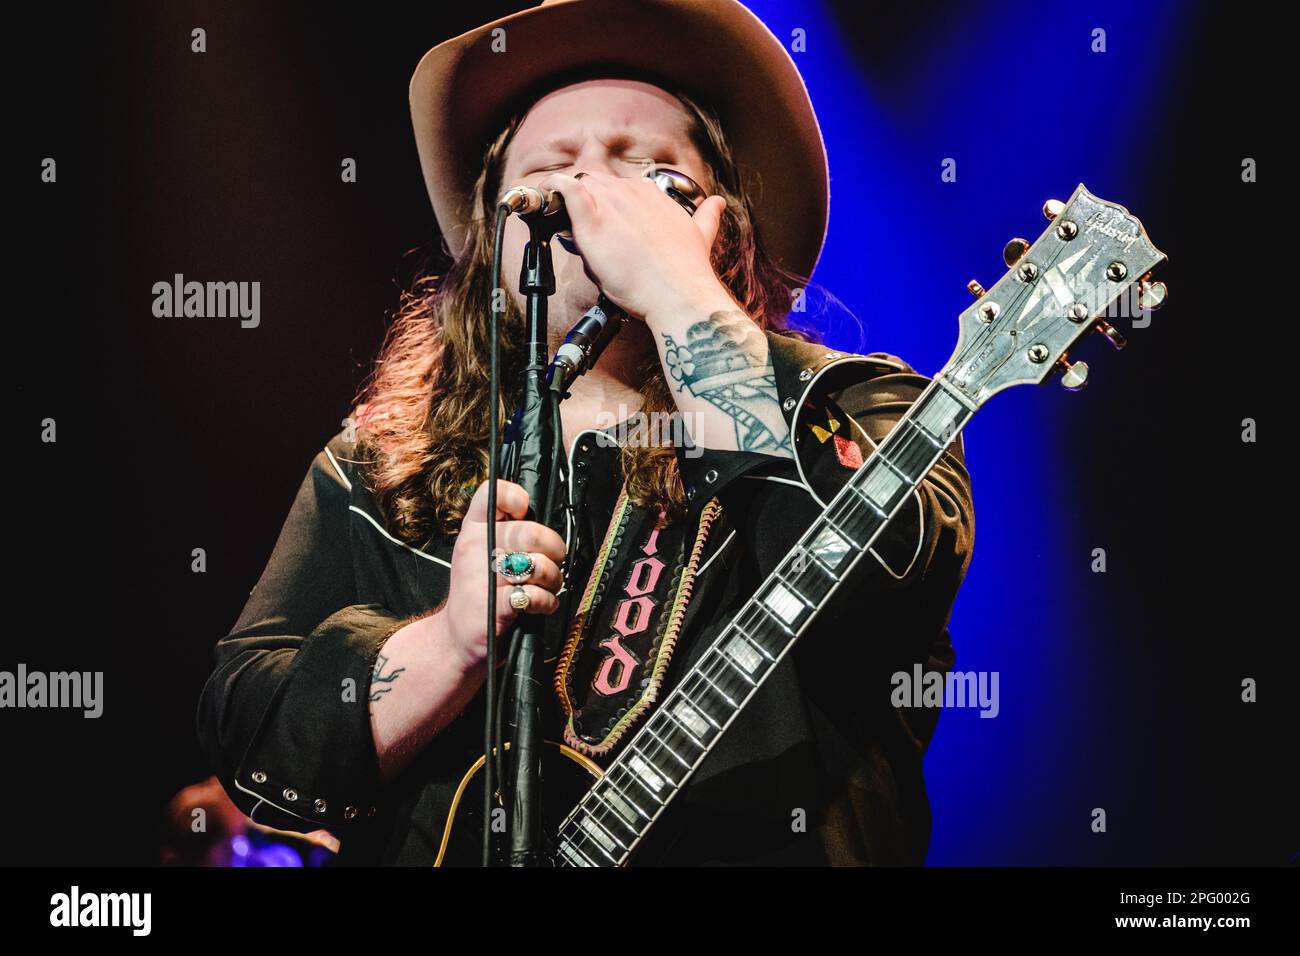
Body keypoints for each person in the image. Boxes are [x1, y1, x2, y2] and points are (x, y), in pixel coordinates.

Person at [196, 0, 974, 866]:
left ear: (723, 219)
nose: (591, 197)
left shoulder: (851, 404)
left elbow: (889, 575)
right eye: (550, 174)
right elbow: (251, 733)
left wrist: (681, 295)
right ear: (493, 237)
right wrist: (448, 645)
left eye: (647, 170)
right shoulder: (383, 463)